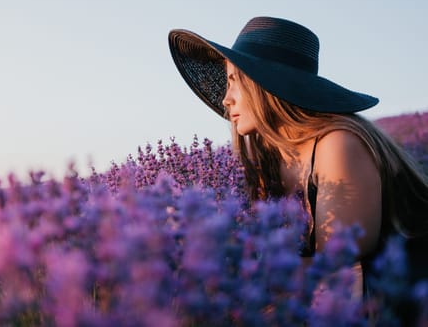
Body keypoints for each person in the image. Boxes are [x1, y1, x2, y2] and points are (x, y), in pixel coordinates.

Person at [168, 16, 428, 319]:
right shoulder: (274, 160)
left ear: (265, 86)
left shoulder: (338, 144)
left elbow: (337, 269)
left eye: (233, 82)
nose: (226, 99)